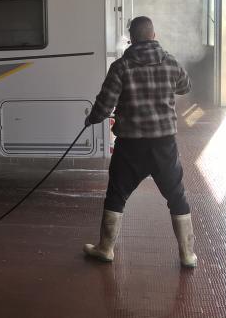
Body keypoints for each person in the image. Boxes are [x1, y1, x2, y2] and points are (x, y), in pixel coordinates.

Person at [82, 16, 197, 268]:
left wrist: (92, 119)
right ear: (153, 36)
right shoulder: (170, 62)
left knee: (116, 195)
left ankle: (106, 248)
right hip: (164, 144)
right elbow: (185, 87)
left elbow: (105, 104)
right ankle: (187, 254)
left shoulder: (121, 67)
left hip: (130, 145)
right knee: (176, 196)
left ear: (131, 39)